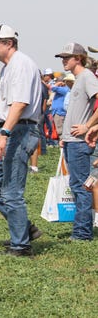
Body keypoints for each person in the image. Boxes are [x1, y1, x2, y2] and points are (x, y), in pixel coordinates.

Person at [0, 24, 43, 257]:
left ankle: (21, 246)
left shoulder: (21, 65)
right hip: (9, 130)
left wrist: (4, 134)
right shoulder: (9, 67)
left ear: (9, 43)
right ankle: (24, 228)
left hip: (18, 130)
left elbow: (20, 103)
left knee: (12, 191)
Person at [55, 43, 98, 242]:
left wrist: (87, 126)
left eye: (67, 57)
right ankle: (81, 230)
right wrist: (64, 137)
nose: (63, 60)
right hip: (71, 141)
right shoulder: (79, 79)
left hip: (79, 142)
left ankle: (82, 233)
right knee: (76, 185)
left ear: (78, 58)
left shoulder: (87, 77)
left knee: (81, 187)